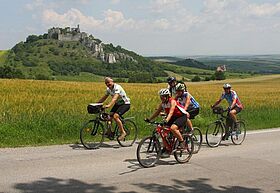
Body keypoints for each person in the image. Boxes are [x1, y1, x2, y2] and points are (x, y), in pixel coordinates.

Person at [145, 88, 188, 157]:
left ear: (167, 96)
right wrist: (149, 119)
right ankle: (166, 148)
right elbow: (157, 112)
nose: (161, 98)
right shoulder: (163, 104)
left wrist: (166, 120)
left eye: (163, 97)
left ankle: (182, 142)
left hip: (181, 116)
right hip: (172, 117)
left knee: (173, 128)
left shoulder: (172, 101)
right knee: (163, 132)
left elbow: (171, 112)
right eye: (160, 97)